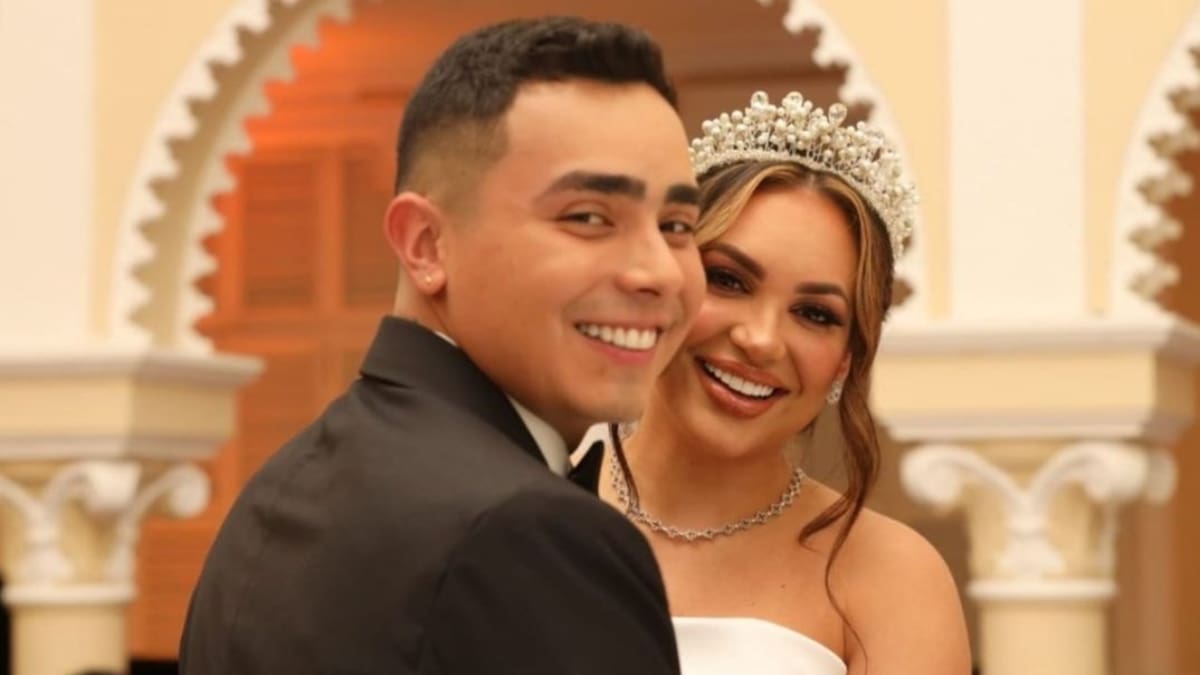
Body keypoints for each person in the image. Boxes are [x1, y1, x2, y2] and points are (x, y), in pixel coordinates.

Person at [179, 17, 706, 675]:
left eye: (677, 225)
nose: (658, 272)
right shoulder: (530, 531)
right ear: (426, 245)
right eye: (589, 217)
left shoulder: (280, 490)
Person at [593, 92, 972, 674]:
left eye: (815, 314)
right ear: (664, 280)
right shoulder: (524, 505)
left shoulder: (892, 577)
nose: (762, 340)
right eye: (729, 280)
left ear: (845, 361)